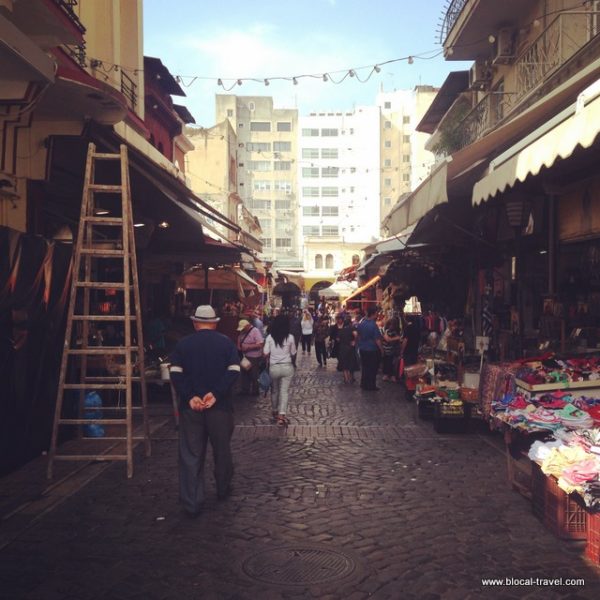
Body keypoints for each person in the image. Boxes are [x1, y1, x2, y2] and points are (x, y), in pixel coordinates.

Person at [169, 305, 240, 517]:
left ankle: (192, 502)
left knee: (191, 454)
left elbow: (175, 373)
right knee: (222, 450)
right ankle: (222, 488)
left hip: (191, 409)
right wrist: (216, 394)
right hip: (220, 408)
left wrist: (191, 396)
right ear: (215, 322)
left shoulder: (183, 344)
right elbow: (234, 371)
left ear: (194, 322)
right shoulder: (226, 343)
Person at [263, 314, 297, 426]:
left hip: (274, 367)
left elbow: (265, 353)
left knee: (274, 390)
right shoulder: (290, 337)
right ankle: (281, 416)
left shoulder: (269, 337)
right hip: (287, 367)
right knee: (284, 392)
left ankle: (274, 411)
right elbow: (293, 353)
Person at [356, 306, 383, 391]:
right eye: (377, 313)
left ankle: (364, 383)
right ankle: (371, 385)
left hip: (363, 348)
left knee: (365, 367)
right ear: (374, 313)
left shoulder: (361, 323)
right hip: (372, 349)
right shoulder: (373, 325)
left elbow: (358, 335)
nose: (378, 315)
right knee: (372, 368)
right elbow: (377, 340)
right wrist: (382, 350)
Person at [237, 319, 264, 395]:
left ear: (247, 326)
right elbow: (239, 339)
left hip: (254, 357)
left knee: (254, 374)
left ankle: (255, 391)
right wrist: (239, 346)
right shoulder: (242, 331)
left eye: (243, 328)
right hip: (244, 356)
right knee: (244, 373)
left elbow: (260, 344)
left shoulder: (255, 331)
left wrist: (249, 347)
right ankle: (245, 390)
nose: (242, 330)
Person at [337, 316, 359, 384]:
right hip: (350, 348)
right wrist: (354, 341)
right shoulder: (352, 328)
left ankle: (346, 379)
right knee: (350, 363)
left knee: (344, 364)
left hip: (343, 348)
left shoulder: (341, 330)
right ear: (350, 323)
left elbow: (338, 339)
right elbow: (356, 334)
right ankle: (350, 378)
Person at [381, 317, 402, 382]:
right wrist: (397, 338)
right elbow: (388, 339)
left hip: (390, 350)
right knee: (391, 363)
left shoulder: (387, 330)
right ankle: (390, 376)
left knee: (390, 362)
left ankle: (388, 375)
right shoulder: (386, 331)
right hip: (390, 350)